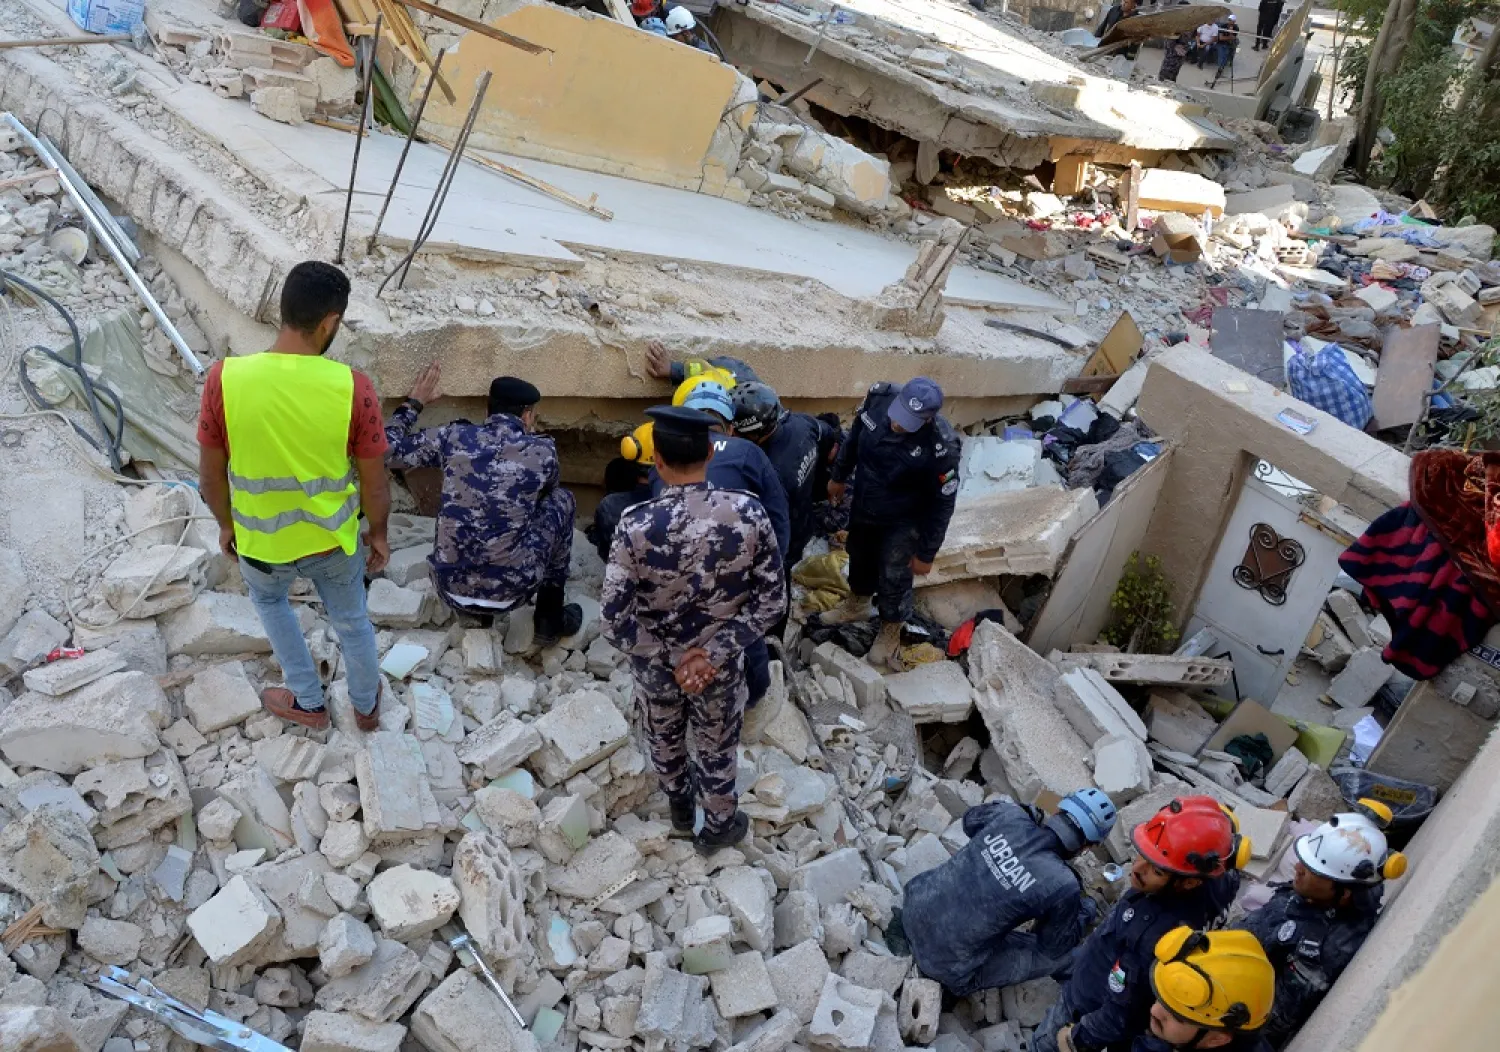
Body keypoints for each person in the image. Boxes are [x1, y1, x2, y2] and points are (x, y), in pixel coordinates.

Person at [197, 260, 389, 733]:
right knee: (352, 621)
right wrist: (379, 534)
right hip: (332, 542)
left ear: (282, 310)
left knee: (271, 605)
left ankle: (307, 701)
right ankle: (366, 708)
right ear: (330, 322)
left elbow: (210, 478)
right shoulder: (353, 387)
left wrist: (226, 524)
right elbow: (375, 482)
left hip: (260, 543)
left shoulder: (224, 379)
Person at [601, 406, 785, 852]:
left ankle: (681, 811)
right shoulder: (748, 513)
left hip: (657, 667)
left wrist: (671, 657)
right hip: (717, 668)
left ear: (657, 462)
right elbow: (772, 602)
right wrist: (711, 654)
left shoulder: (635, 525)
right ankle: (719, 826)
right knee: (717, 743)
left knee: (664, 735)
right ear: (710, 452)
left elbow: (613, 621)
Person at [1033, 796, 1250, 1052]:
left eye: (1158, 870)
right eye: (1143, 854)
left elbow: (1119, 1014)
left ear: (1189, 882)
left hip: (1089, 999)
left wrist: (1076, 1038)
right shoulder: (1221, 878)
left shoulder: (1148, 935)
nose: (1137, 868)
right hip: (1114, 963)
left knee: (1047, 1041)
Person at [384, 364, 582, 644]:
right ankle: (549, 618)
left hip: (449, 588)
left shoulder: (454, 437)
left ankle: (473, 602)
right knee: (562, 500)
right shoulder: (542, 450)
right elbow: (547, 493)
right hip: (512, 592)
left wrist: (413, 403)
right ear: (527, 415)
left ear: (488, 410)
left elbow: (386, 451)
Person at [896, 790, 1120, 997]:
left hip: (914, 907)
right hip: (945, 965)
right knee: (1060, 956)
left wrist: (1024, 815)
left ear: (1058, 812)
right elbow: (1053, 947)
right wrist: (1089, 905)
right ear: (1086, 847)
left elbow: (969, 822)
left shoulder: (1009, 815)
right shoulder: (1062, 883)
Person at [1232, 801, 1405, 1049]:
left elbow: (1270, 1021)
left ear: (1344, 894)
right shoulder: (1330, 891)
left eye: (1312, 870)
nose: (1298, 868)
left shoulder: (1319, 951)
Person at [822, 378, 960, 671]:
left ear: (928, 419)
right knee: (859, 554)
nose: (898, 424)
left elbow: (943, 503)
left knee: (894, 573)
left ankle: (890, 628)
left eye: (908, 422)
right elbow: (854, 437)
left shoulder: (941, 447)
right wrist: (838, 476)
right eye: (899, 415)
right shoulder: (879, 397)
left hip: (904, 518)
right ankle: (857, 605)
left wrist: (927, 552)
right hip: (866, 499)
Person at [1103, 927, 1276, 1052]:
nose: (1155, 1010)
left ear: (1217, 1039)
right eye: (1161, 998)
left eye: (1178, 1017)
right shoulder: (1178, 1034)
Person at [730, 380, 839, 570]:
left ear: (754, 434)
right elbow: (831, 439)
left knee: (783, 567)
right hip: (805, 515)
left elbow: (773, 522)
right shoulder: (802, 423)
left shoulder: (769, 470)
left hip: (791, 531)